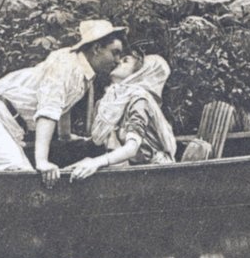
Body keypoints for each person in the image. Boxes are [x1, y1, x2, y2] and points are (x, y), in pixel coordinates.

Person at [0, 20, 126, 188]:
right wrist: (42, 161)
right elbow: (48, 111)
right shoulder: (65, 65)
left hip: (10, 130)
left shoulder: (82, 70)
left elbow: (63, 105)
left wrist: (65, 137)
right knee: (14, 169)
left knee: (22, 175)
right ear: (96, 48)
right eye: (115, 52)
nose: (118, 60)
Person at [69, 53, 178, 181]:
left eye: (125, 61)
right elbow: (104, 142)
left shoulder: (139, 100)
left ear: (140, 73)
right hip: (128, 169)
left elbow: (132, 148)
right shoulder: (113, 100)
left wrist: (95, 162)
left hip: (153, 174)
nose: (118, 61)